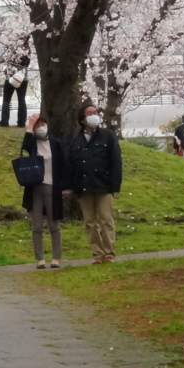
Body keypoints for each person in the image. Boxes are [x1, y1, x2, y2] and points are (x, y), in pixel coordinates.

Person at [67, 102, 122, 264]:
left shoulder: (107, 136)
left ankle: (109, 252)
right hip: (83, 187)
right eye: (89, 113)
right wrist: (71, 187)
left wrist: (115, 185)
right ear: (82, 119)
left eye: (95, 112)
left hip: (104, 185)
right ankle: (97, 253)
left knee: (106, 219)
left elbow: (116, 161)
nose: (93, 115)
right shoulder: (76, 141)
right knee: (90, 222)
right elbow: (71, 165)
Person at [21, 114, 70, 269]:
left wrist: (66, 187)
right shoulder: (32, 143)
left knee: (54, 224)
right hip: (35, 187)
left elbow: (63, 165)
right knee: (36, 225)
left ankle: (56, 257)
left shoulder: (55, 143)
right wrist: (30, 126)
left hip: (52, 187)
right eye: (37, 125)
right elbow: (24, 147)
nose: (41, 127)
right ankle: (40, 258)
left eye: (43, 124)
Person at [0, 55, 31, 128]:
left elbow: (6, 61)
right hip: (23, 78)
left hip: (10, 78)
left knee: (6, 101)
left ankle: (4, 121)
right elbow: (27, 63)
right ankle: (21, 122)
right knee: (21, 100)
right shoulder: (27, 53)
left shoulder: (11, 52)